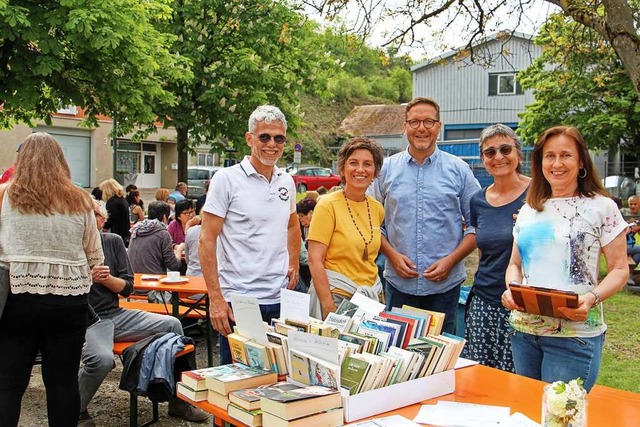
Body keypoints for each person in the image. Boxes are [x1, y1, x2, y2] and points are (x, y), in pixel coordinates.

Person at [502, 126, 628, 392]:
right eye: (549, 156)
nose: (556, 164)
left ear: (581, 160)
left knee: (560, 418)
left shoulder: (602, 207)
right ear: (540, 162)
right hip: (524, 333)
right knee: (529, 415)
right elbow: (515, 264)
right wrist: (512, 289)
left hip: (574, 336)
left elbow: (619, 269)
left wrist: (591, 298)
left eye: (565, 155)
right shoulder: (529, 209)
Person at [0, 132, 104, 427]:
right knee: (62, 383)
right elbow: (95, 256)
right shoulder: (80, 199)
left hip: (16, 297)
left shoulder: (5, 195)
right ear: (61, 161)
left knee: (8, 384)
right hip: (68, 301)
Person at [78, 200, 208, 426]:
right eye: (85, 217)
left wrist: (107, 280)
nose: (91, 222)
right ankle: (76, 409)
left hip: (115, 314)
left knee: (173, 325)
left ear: (102, 219)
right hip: (88, 320)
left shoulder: (113, 242)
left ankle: (179, 400)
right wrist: (87, 279)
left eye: (95, 216)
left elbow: (129, 286)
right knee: (102, 360)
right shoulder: (72, 246)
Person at [369, 97, 481, 334]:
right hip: (399, 285)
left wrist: (451, 261)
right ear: (405, 126)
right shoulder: (385, 170)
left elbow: (476, 225)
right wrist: (392, 255)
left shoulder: (459, 170)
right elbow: (370, 223)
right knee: (399, 356)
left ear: (439, 127)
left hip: (445, 287)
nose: (422, 128)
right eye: (415, 122)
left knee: (442, 360)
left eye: (429, 122)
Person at [199, 105, 300, 365]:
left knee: (278, 379)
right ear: (249, 138)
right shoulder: (226, 179)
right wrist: (216, 299)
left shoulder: (286, 181)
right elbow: (206, 240)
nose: (272, 144)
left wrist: (293, 262)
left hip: (279, 298)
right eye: (264, 136)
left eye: (279, 138)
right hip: (240, 300)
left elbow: (291, 225)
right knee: (238, 384)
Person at [461, 124, 530, 372]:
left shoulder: (537, 195)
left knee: (518, 378)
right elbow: (484, 251)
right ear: (483, 159)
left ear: (518, 155)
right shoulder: (478, 200)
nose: (498, 157)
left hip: (523, 305)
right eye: (490, 152)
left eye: (505, 149)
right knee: (479, 376)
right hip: (484, 301)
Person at [308, 137, 385, 319]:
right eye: (353, 163)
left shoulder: (377, 209)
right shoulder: (327, 205)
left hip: (371, 297)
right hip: (337, 296)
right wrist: (328, 306)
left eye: (367, 164)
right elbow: (314, 259)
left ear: (375, 172)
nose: (360, 169)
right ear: (342, 168)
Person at [128, 201, 184, 303]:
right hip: (154, 288)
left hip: (134, 284)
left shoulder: (136, 230)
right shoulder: (162, 233)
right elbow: (173, 265)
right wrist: (179, 250)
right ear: (164, 217)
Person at [99, 178, 131, 246]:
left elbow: (111, 217)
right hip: (124, 231)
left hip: (116, 231)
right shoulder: (122, 199)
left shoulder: (112, 201)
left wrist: (105, 227)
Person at [296, 198, 317, 291]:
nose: (300, 219)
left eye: (302, 216)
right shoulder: (303, 227)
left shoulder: (319, 230)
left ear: (311, 213)